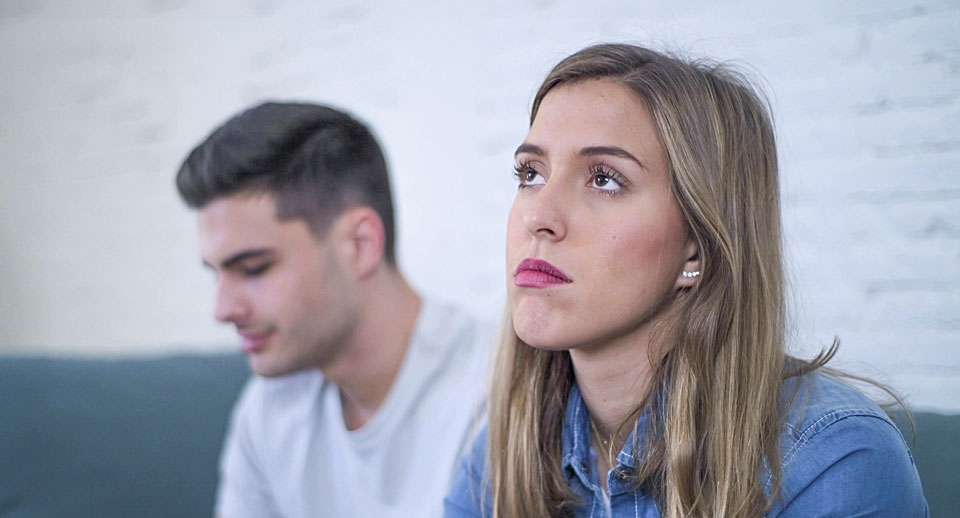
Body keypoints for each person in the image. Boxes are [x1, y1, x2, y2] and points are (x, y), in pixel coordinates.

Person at [443, 43, 928, 517]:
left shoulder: (832, 461)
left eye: (604, 179)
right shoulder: (504, 453)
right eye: (531, 173)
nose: (539, 217)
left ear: (698, 243)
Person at [176, 101, 492, 517]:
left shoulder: (493, 397)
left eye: (254, 269)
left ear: (359, 245)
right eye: (217, 274)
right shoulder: (268, 409)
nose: (222, 310)